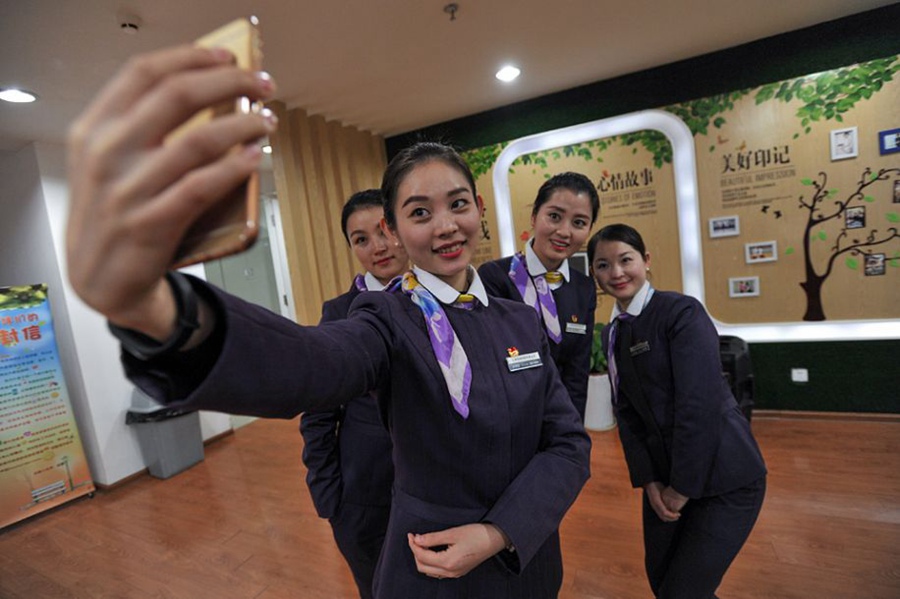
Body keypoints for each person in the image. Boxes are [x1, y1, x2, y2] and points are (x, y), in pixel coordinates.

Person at [65, 44, 591, 599]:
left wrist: (498, 531)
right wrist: (159, 310)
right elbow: (311, 362)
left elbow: (567, 443)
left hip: (525, 559)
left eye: (458, 204)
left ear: (480, 209)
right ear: (393, 230)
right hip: (430, 568)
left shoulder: (518, 320)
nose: (445, 226)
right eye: (419, 212)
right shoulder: (387, 318)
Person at [587, 223, 766, 599]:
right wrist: (649, 480)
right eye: (603, 265)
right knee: (663, 581)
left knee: (682, 591)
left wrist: (681, 489)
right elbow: (627, 413)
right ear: (594, 273)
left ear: (646, 261)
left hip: (725, 477)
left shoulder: (680, 312)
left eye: (625, 260)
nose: (616, 272)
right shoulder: (612, 332)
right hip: (664, 479)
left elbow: (698, 406)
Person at [300, 189, 408, 599]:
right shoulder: (338, 314)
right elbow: (318, 413)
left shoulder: (436, 300)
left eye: (384, 231)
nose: (378, 247)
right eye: (361, 239)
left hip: (439, 490)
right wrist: (331, 499)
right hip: (365, 497)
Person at [479, 172, 599, 420]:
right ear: (534, 216)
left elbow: (577, 373)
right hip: (510, 415)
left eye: (578, 223)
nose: (564, 232)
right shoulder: (495, 277)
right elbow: (491, 363)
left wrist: (571, 428)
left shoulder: (583, 287)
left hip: (561, 416)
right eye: (554, 216)